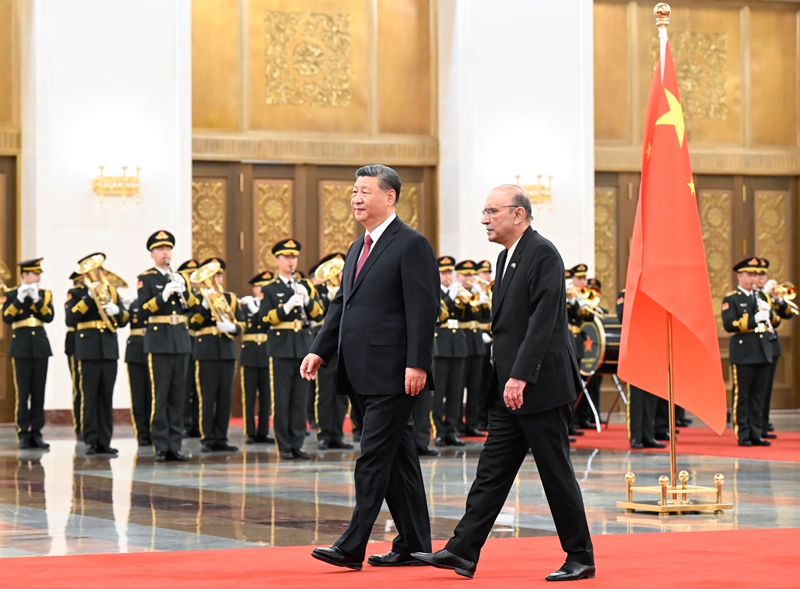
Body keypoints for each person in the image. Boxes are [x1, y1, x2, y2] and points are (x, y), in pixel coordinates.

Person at [412, 184, 595, 582]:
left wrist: (520, 375)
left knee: (555, 472)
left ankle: (580, 555)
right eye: (484, 212)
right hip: (510, 386)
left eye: (492, 211)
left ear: (519, 214)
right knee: (492, 471)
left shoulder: (542, 252)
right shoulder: (504, 257)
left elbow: (543, 321)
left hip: (538, 385)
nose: (484, 219)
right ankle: (463, 550)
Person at [302, 164, 439, 570]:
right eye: (354, 192)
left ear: (389, 196)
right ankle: (414, 544)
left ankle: (351, 545)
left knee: (373, 457)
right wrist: (320, 349)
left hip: (395, 373)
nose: (356, 199)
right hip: (359, 369)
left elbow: (423, 309)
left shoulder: (411, 244)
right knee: (399, 461)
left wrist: (418, 364)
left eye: (364, 191)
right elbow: (341, 305)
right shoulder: (356, 247)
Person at [137, 230, 198, 462]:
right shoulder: (147, 278)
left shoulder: (179, 277)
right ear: (153, 254)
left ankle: (175, 445)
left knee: (178, 395)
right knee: (161, 395)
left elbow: (194, 306)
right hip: (159, 341)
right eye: (161, 249)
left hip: (180, 341)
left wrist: (184, 289)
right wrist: (162, 296)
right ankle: (161, 445)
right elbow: (142, 310)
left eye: (168, 249)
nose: (166, 253)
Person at [259, 238, 324, 460]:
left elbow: (318, 314)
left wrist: (307, 302)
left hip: (303, 346)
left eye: (294, 257)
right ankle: (284, 445)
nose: (291, 261)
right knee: (282, 399)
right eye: (286, 257)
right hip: (281, 347)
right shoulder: (270, 289)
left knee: (300, 398)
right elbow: (265, 318)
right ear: (277, 260)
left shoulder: (305, 285)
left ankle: (297, 444)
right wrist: (286, 307)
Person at [66, 253, 130, 455]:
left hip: (109, 349)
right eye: (96, 270)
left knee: (106, 396)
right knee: (90, 396)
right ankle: (91, 440)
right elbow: (71, 318)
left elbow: (125, 318)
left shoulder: (111, 291)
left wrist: (117, 312)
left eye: (100, 269)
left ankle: (105, 440)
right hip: (89, 349)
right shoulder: (76, 293)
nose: (99, 273)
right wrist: (88, 297)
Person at [189, 257, 241, 453]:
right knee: (207, 397)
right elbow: (192, 324)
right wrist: (204, 305)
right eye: (212, 275)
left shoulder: (230, 299)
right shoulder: (197, 299)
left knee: (224, 397)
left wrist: (232, 327)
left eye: (218, 274)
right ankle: (207, 438)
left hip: (226, 352)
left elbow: (242, 324)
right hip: (206, 352)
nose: (215, 278)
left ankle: (221, 437)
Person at [1, 258, 54, 450]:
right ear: (25, 275)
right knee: (23, 393)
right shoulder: (12, 293)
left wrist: (37, 300)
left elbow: (48, 316)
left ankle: (37, 432)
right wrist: (20, 298)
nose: (38, 277)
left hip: (40, 347)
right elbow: (7, 317)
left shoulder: (45, 294)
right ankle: (23, 432)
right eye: (35, 274)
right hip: (21, 347)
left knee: (39, 393)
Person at [721, 257, 774, 447]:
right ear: (740, 276)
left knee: (759, 396)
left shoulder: (762, 297)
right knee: (743, 395)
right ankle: (743, 433)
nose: (753, 279)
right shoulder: (731, 299)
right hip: (744, 353)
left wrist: (770, 312)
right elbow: (729, 324)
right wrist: (754, 320)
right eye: (749, 275)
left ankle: (756, 432)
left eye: (755, 275)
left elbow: (773, 322)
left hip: (763, 351)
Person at [311, 253, 354, 451]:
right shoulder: (318, 291)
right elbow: (319, 315)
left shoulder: (350, 287)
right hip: (328, 348)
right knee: (326, 393)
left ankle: (337, 434)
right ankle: (325, 433)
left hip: (345, 346)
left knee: (341, 393)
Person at [616, 289, 664, 449]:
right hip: (636, 349)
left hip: (653, 348)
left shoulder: (654, 293)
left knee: (651, 396)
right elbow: (623, 316)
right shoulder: (625, 294)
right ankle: (636, 436)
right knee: (637, 397)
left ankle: (648, 435)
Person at [432, 256, 468, 448]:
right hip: (441, 345)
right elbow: (436, 313)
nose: (448, 276)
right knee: (438, 393)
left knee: (456, 392)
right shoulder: (433, 291)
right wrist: (449, 297)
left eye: (449, 272)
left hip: (458, 345)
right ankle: (438, 432)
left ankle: (451, 430)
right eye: (444, 272)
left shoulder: (459, 291)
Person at [756, 258, 793, 439]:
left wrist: (778, 298)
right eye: (758, 274)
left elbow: (788, 314)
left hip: (772, 346)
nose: (761, 278)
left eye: (763, 274)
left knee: (767, 388)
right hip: (756, 346)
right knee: (758, 390)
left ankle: (764, 422)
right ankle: (756, 425)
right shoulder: (758, 296)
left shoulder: (770, 297)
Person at [238, 270, 275, 444]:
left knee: (267, 395)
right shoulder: (245, 305)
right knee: (249, 395)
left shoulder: (271, 304)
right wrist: (252, 312)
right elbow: (243, 325)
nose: (262, 289)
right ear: (254, 288)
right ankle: (250, 432)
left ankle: (263, 431)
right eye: (260, 286)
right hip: (250, 353)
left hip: (267, 351)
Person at [454, 260, 490, 437]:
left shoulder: (476, 292)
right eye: (465, 275)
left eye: (471, 275)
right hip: (461, 340)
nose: (469, 278)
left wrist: (483, 299)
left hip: (476, 342)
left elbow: (487, 316)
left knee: (475, 386)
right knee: (459, 386)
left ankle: (472, 423)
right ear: (458, 276)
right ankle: (457, 424)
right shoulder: (456, 293)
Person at [176, 259, 201, 437]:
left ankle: (197, 422)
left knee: (198, 386)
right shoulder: (182, 295)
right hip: (185, 340)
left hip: (199, 344)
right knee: (185, 385)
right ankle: (184, 421)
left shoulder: (200, 297)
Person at [124, 286, 151, 447]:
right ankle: (142, 433)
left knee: (152, 396)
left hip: (154, 347)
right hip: (135, 351)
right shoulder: (134, 304)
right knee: (138, 396)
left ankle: (154, 431)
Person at [65, 271, 84, 441]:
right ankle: (80, 426)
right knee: (79, 387)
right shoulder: (74, 295)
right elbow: (70, 319)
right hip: (76, 343)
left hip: (93, 343)